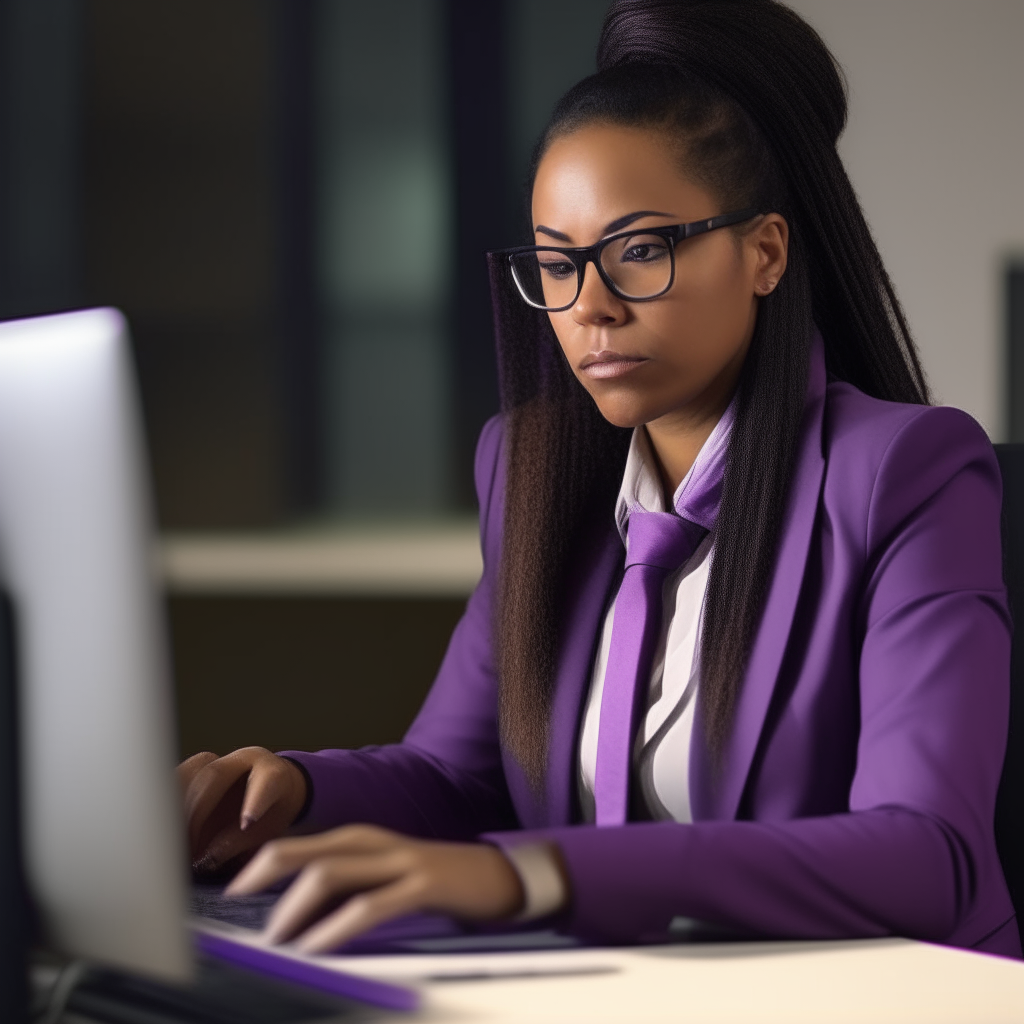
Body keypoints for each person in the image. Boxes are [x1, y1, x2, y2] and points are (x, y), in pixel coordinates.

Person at [179, 0, 1020, 958]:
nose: (592, 308)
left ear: (766, 252)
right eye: (557, 265)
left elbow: (928, 855)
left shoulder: (902, 473)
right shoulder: (531, 469)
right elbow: (461, 778)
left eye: (641, 251)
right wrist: (296, 790)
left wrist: (536, 875)